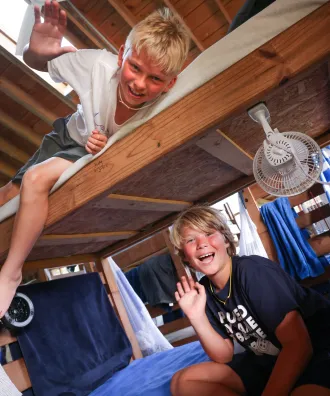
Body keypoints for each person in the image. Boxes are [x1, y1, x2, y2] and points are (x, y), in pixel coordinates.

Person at [0, 0, 190, 318]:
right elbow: (38, 61)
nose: (140, 83)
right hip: (66, 135)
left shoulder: (169, 104)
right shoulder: (97, 65)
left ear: (170, 83)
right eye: (135, 68)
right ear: (120, 56)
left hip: (87, 152)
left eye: (156, 79)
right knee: (7, 194)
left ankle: (11, 273)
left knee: (35, 179)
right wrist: (41, 49)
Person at [169, 205, 330, 396]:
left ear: (226, 240)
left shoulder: (252, 271)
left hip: (318, 349)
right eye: (190, 239)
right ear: (185, 257)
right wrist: (196, 317)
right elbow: (224, 355)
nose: (202, 243)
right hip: (271, 359)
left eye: (209, 233)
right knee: (183, 381)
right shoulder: (204, 291)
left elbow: (299, 346)